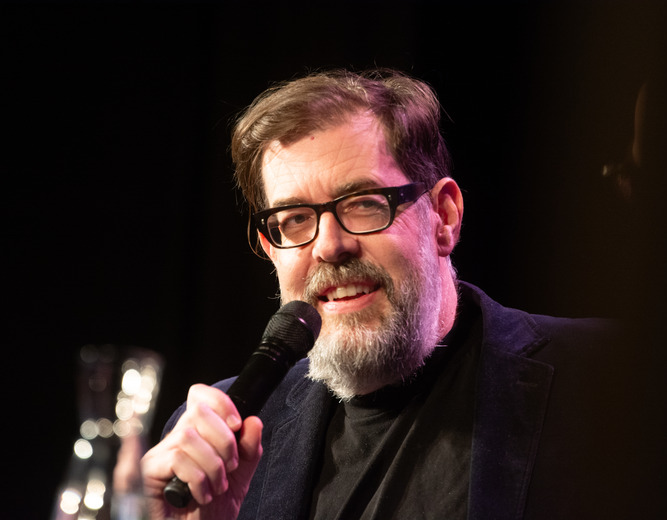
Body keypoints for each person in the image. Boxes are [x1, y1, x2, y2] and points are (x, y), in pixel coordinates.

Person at [141, 69, 638, 519]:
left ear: (444, 216)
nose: (329, 246)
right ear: (271, 248)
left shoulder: (611, 379)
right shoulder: (216, 446)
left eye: (364, 203)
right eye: (295, 219)